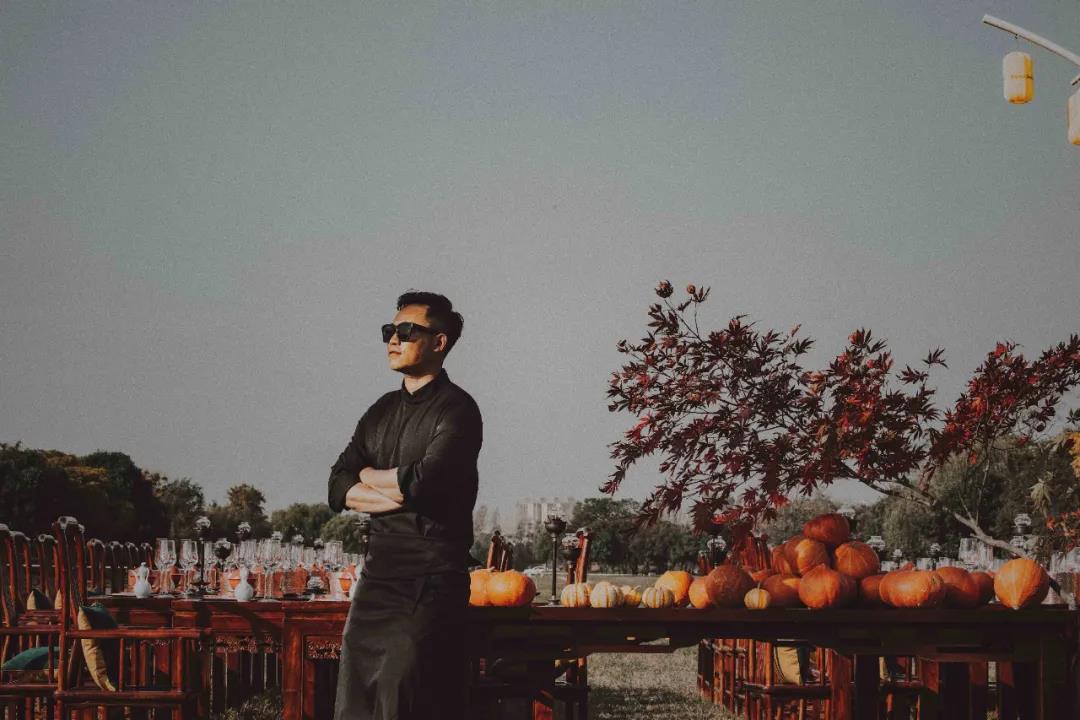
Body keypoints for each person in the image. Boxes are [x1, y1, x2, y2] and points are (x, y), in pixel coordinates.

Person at [328, 290, 482, 720]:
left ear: (439, 342)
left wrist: (368, 477)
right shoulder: (379, 411)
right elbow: (337, 486)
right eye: (389, 331)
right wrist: (400, 488)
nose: (393, 340)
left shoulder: (459, 411)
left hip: (432, 581)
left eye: (407, 331)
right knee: (355, 705)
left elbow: (425, 483)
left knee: (404, 698)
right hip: (375, 579)